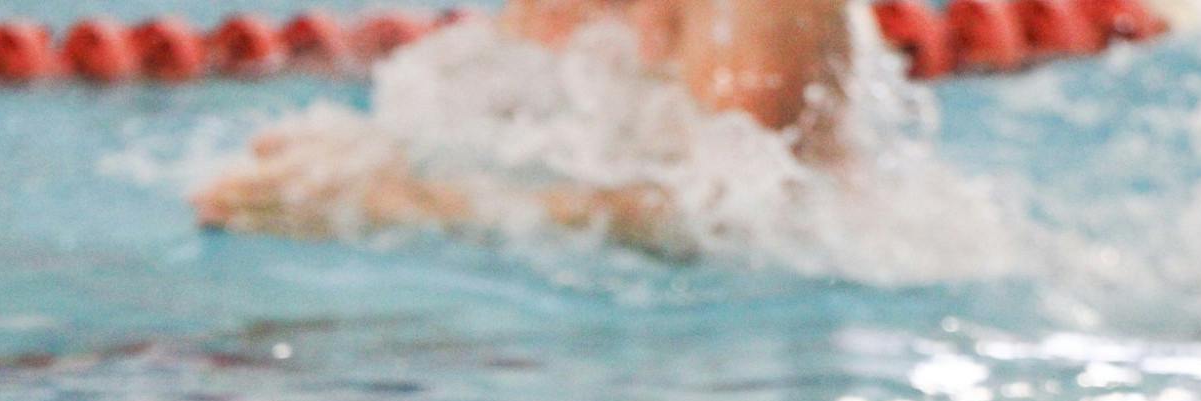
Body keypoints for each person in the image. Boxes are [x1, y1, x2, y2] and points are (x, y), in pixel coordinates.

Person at [191, 0, 854, 247]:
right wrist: (359, 163)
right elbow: (526, 131)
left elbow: (738, 216)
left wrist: (402, 204)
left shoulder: (759, 10)